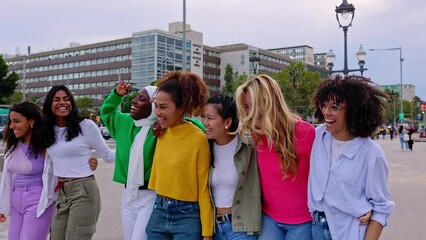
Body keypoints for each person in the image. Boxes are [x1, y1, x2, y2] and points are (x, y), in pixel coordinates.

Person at [309, 75, 395, 240]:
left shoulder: (371, 154)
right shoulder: (316, 136)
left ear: (354, 110)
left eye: (335, 107)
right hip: (315, 228)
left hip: (349, 231)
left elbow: (381, 208)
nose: (326, 112)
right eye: (323, 105)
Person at [235, 75, 314, 240]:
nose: (250, 112)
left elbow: (327, 175)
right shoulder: (257, 135)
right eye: (247, 107)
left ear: (270, 101)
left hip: (303, 222)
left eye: (254, 105)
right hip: (269, 219)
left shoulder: (305, 132)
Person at [146, 71, 213, 240]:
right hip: (158, 211)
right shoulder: (161, 132)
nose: (158, 112)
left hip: (187, 216)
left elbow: (204, 190)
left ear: (182, 107)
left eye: (163, 107)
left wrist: (207, 234)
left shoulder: (198, 139)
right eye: (156, 106)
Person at [42, 85, 115, 240]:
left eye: (66, 99)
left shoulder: (86, 126)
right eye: (56, 100)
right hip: (61, 192)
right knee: (55, 237)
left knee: (76, 237)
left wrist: (131, 146)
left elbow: (108, 155)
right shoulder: (47, 129)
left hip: (83, 190)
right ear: (49, 104)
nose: (62, 103)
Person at [100, 81, 157, 240]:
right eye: (136, 97)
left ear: (155, 106)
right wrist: (117, 95)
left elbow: (191, 125)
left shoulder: (162, 128)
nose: (134, 101)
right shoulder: (125, 122)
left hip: (151, 196)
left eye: (142, 99)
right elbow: (107, 111)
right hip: (128, 195)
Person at [201, 94, 261, 240]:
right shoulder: (204, 147)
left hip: (241, 227)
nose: (204, 122)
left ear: (227, 121)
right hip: (214, 228)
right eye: (203, 117)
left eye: (210, 118)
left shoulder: (248, 146)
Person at [0, 102, 56, 240]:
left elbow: (67, 160)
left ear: (32, 121)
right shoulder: (12, 144)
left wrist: (90, 162)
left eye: (17, 121)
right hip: (15, 201)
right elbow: (7, 178)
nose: (12, 126)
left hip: (37, 202)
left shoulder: (46, 146)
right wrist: (2, 205)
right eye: (11, 122)